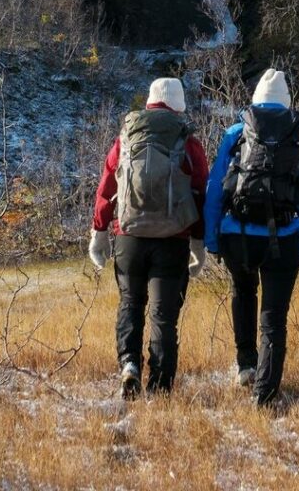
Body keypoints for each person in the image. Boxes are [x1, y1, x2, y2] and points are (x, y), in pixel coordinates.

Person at [204, 68, 299, 407]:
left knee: (243, 291)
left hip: (238, 234)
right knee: (274, 315)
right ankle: (265, 393)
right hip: (284, 236)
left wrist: (213, 236)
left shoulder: (236, 132)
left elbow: (216, 187)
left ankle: (246, 365)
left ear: (256, 100)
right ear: (286, 103)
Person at [88, 77, 209, 399]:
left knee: (130, 303)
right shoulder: (187, 140)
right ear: (177, 105)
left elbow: (107, 188)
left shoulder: (126, 138)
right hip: (173, 238)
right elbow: (201, 192)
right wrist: (199, 241)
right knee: (163, 315)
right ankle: (160, 387)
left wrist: (99, 231)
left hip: (130, 237)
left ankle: (129, 364)